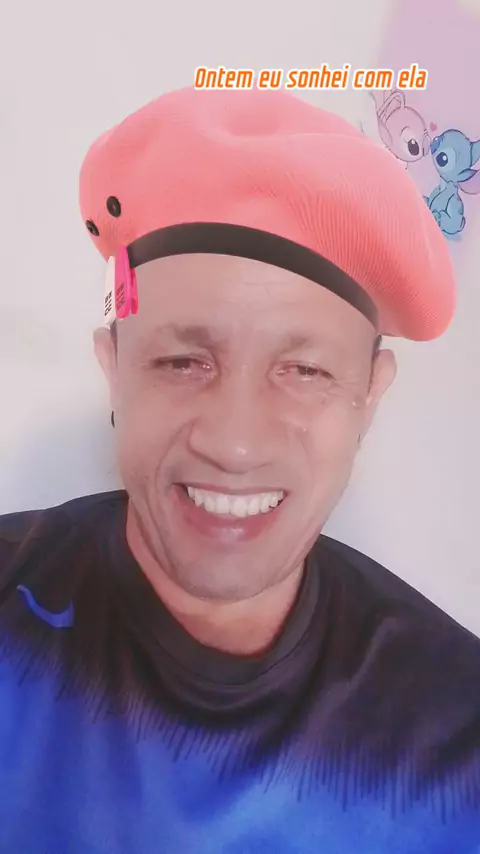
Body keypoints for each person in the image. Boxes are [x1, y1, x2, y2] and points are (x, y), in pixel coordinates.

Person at [0, 85, 478, 854]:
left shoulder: (454, 740)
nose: (236, 443)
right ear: (114, 371)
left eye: (306, 372)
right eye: (182, 361)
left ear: (369, 398)